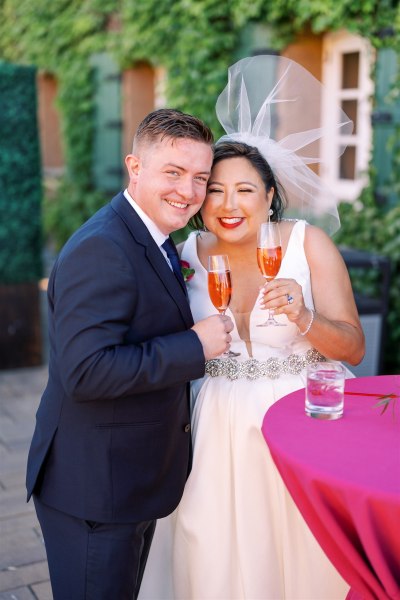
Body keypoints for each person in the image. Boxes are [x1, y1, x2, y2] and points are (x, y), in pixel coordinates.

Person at [138, 57, 365, 599]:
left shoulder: (307, 245)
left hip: (298, 418)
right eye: (214, 190)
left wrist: (305, 318)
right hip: (213, 420)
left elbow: (353, 344)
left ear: (269, 196)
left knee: (302, 550)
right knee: (213, 548)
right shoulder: (184, 254)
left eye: (244, 190)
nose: (228, 204)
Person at [26, 108, 234, 600]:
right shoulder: (103, 248)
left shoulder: (155, 239)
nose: (188, 191)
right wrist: (195, 345)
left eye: (200, 177)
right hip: (95, 491)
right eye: (174, 173)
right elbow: (87, 372)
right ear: (134, 168)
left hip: (128, 479)